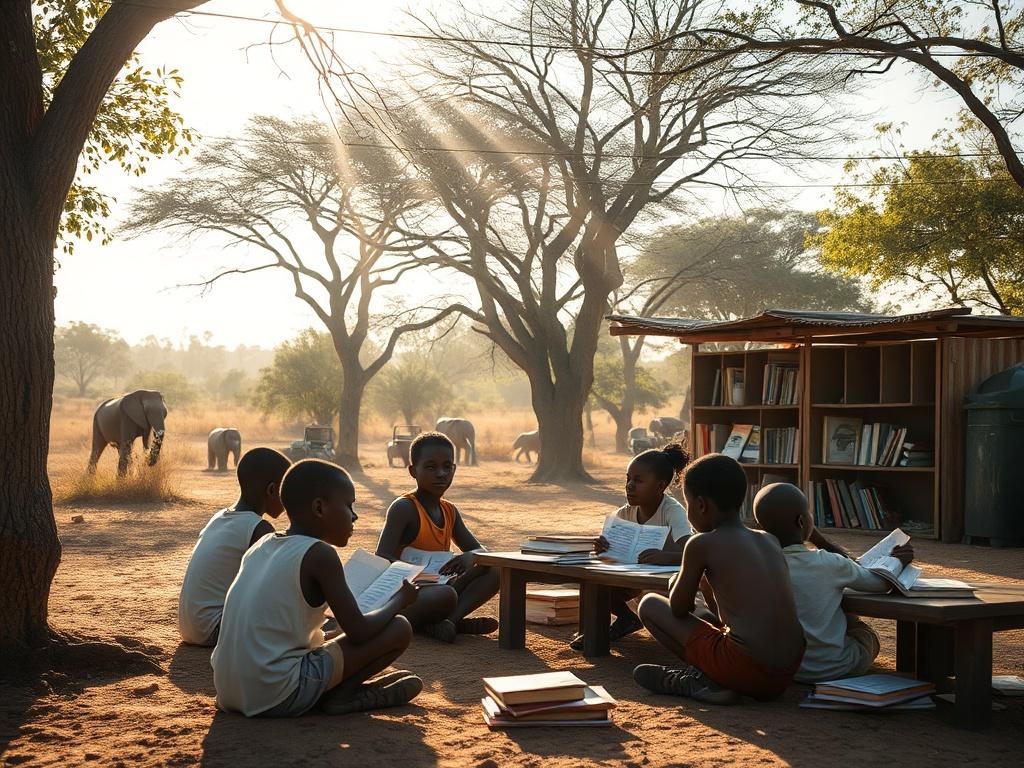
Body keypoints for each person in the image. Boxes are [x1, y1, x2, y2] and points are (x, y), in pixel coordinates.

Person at [211, 459, 421, 717]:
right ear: (319, 508)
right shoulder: (319, 554)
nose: (354, 516)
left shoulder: (262, 544)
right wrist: (400, 599)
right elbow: (359, 632)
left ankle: (328, 689)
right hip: (276, 694)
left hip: (229, 690)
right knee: (399, 627)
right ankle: (341, 696)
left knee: (328, 632)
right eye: (349, 506)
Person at [633, 453, 805, 705]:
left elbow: (680, 608)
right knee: (704, 613)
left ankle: (703, 681)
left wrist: (676, 582)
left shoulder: (701, 543)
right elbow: (735, 616)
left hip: (746, 667)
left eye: (688, 504)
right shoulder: (769, 540)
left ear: (701, 505)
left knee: (648, 603)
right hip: (788, 671)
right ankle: (715, 675)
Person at [753, 482, 914, 683]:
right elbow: (880, 584)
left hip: (785, 668)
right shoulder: (828, 562)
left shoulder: (754, 566)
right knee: (865, 635)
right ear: (802, 522)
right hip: (835, 667)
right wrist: (897, 561)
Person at [375, 432, 500, 643]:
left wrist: (472, 557)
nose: (441, 473)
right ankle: (442, 623)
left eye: (447, 466)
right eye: (431, 467)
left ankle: (449, 622)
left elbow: (479, 550)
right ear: (413, 471)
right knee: (445, 595)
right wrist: (422, 576)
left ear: (454, 469)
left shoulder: (449, 511)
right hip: (407, 593)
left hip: (440, 586)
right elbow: (382, 557)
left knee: (495, 570)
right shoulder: (404, 508)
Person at [569, 444, 691, 652]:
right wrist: (603, 549)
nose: (629, 485)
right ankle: (623, 620)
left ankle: (625, 622)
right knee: (594, 580)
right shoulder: (624, 513)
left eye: (638, 480)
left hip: (669, 585)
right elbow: (611, 555)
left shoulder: (672, 511)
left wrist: (666, 557)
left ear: (660, 486)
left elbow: (691, 551)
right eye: (628, 479)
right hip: (633, 581)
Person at [178, 447, 291, 646]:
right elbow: (276, 585)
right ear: (272, 490)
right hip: (215, 630)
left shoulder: (219, 517)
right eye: (286, 493)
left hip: (190, 629)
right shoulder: (258, 529)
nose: (289, 502)